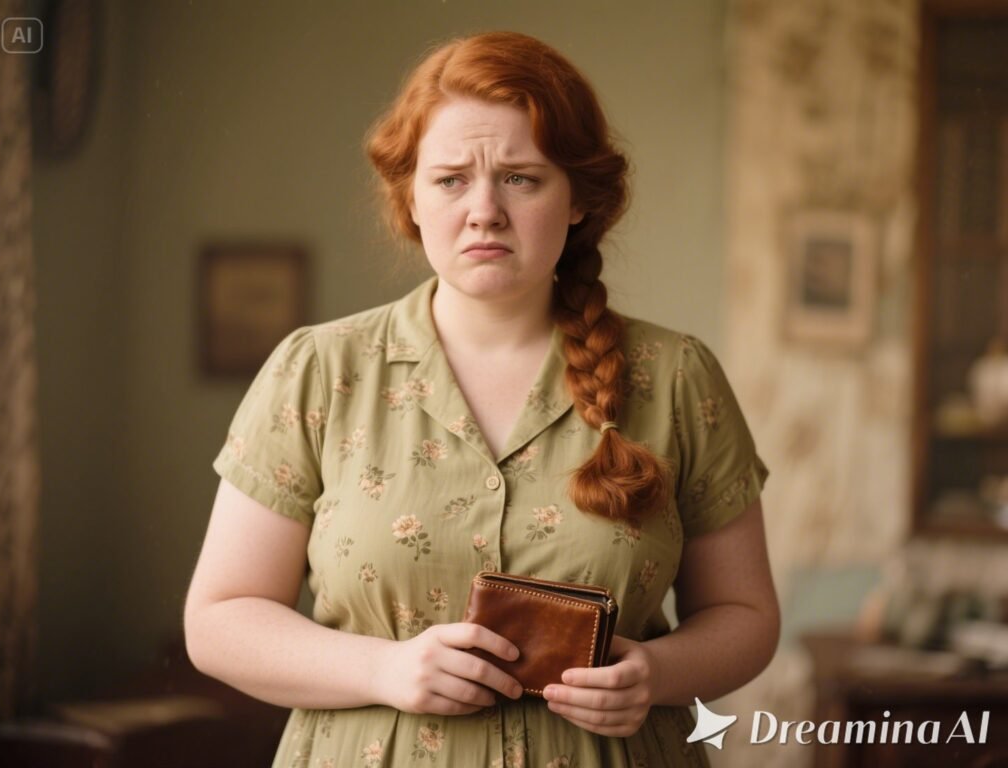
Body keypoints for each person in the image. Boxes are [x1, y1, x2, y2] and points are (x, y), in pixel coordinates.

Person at [183, 30, 780, 768]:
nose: (485, 210)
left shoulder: (677, 376)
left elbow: (745, 617)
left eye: (522, 178)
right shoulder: (318, 370)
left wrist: (658, 674)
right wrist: (385, 669)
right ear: (410, 197)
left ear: (578, 202)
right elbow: (218, 621)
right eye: (451, 179)